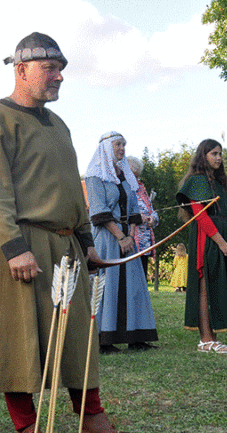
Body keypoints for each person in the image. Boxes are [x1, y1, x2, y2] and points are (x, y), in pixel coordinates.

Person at [0, 32, 145, 433]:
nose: (58, 78)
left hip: (67, 246)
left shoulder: (60, 125)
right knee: (19, 341)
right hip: (20, 246)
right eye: (50, 69)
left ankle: (94, 429)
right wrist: (14, 247)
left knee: (78, 339)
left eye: (62, 70)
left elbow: (75, 195)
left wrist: (88, 242)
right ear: (21, 70)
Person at [85, 132, 158, 354]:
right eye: (118, 144)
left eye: (124, 145)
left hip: (128, 238)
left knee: (135, 286)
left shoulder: (125, 176)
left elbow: (134, 209)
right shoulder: (95, 177)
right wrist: (120, 236)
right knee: (107, 285)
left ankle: (137, 336)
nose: (122, 148)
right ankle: (104, 340)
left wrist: (130, 235)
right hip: (107, 239)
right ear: (107, 147)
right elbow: (99, 211)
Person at [176, 139, 227, 353]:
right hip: (208, 239)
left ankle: (213, 337)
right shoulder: (196, 181)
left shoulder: (221, 183)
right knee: (205, 285)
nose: (219, 158)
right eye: (214, 153)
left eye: (220, 153)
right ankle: (206, 340)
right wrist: (222, 243)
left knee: (218, 285)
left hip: (224, 238)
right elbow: (201, 216)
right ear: (203, 155)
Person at [127, 156, 159, 280]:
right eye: (133, 176)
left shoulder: (141, 189)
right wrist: (138, 217)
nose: (135, 179)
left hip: (144, 245)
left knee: (141, 279)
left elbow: (153, 211)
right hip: (130, 242)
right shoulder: (122, 188)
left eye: (137, 176)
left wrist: (153, 219)